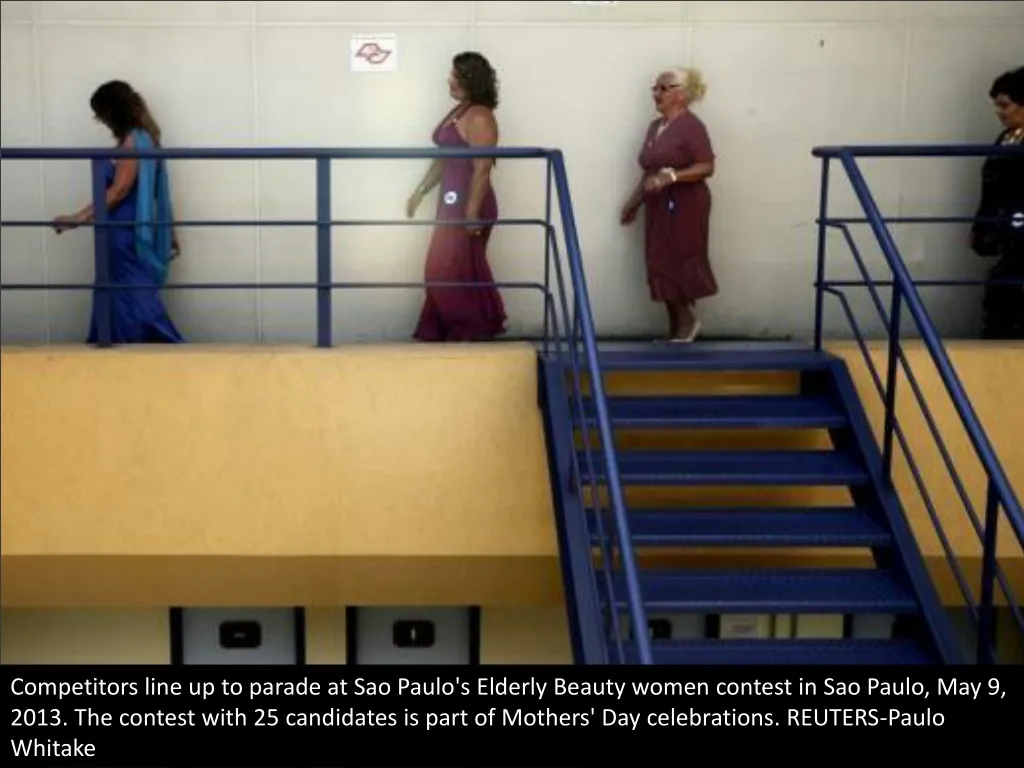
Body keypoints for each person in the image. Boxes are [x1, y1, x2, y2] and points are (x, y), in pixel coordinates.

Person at [53, 80, 184, 344]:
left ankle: (159, 351)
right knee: (122, 295)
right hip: (125, 231)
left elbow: (119, 190)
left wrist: (77, 218)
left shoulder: (132, 142)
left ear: (112, 112)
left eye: (100, 114)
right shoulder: (144, 139)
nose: (100, 121)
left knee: (136, 299)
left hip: (125, 235)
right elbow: (157, 195)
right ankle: (117, 348)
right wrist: (170, 229)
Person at [406, 52, 507, 342]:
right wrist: (420, 192)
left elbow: (482, 167)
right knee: (452, 268)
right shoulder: (460, 110)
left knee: (444, 267)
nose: (449, 79)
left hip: (469, 202)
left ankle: (471, 329)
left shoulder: (479, 116)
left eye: (455, 74)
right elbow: (443, 159)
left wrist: (472, 213)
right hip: (450, 201)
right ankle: (445, 333)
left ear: (470, 79)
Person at [620, 67, 716, 343]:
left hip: (686, 204)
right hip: (658, 204)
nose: (657, 94)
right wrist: (634, 202)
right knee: (658, 260)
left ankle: (688, 322)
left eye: (664, 88)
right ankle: (675, 327)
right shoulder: (655, 127)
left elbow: (706, 166)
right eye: (655, 88)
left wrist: (672, 176)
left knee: (679, 257)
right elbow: (650, 170)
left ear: (682, 94)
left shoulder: (692, 126)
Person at [971, 66, 1024, 340]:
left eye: (1005, 105)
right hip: (1006, 229)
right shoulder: (1006, 139)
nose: (1000, 112)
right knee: (1003, 295)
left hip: (1016, 229)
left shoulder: (1009, 142)